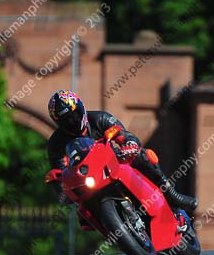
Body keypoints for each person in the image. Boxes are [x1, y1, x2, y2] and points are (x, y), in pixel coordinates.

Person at [46, 89, 198, 212]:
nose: (72, 122)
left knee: (143, 156)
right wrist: (62, 189)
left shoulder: (100, 118)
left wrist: (129, 145)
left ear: (81, 109)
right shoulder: (56, 144)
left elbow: (124, 135)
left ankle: (172, 196)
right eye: (66, 121)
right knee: (81, 209)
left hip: (114, 162)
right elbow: (61, 172)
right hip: (88, 180)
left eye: (74, 115)